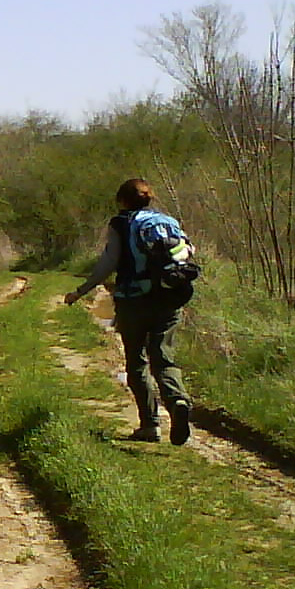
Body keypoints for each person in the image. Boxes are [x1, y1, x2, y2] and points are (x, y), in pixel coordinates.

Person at [63, 178, 194, 445]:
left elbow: (108, 263)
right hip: (169, 298)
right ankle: (177, 399)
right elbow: (186, 253)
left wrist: (81, 291)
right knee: (163, 357)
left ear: (122, 200)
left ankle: (150, 425)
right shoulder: (167, 221)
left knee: (137, 362)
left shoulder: (121, 223)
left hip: (133, 301)